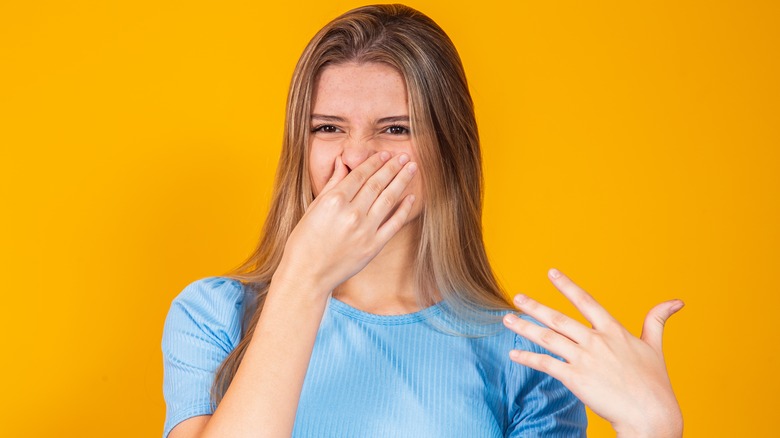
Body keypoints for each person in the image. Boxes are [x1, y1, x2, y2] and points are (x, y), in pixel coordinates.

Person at [161, 4, 683, 437]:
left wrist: (652, 429)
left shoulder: (525, 360)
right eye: (327, 127)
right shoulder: (215, 315)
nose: (355, 158)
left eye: (393, 129)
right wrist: (304, 276)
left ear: (449, 151)